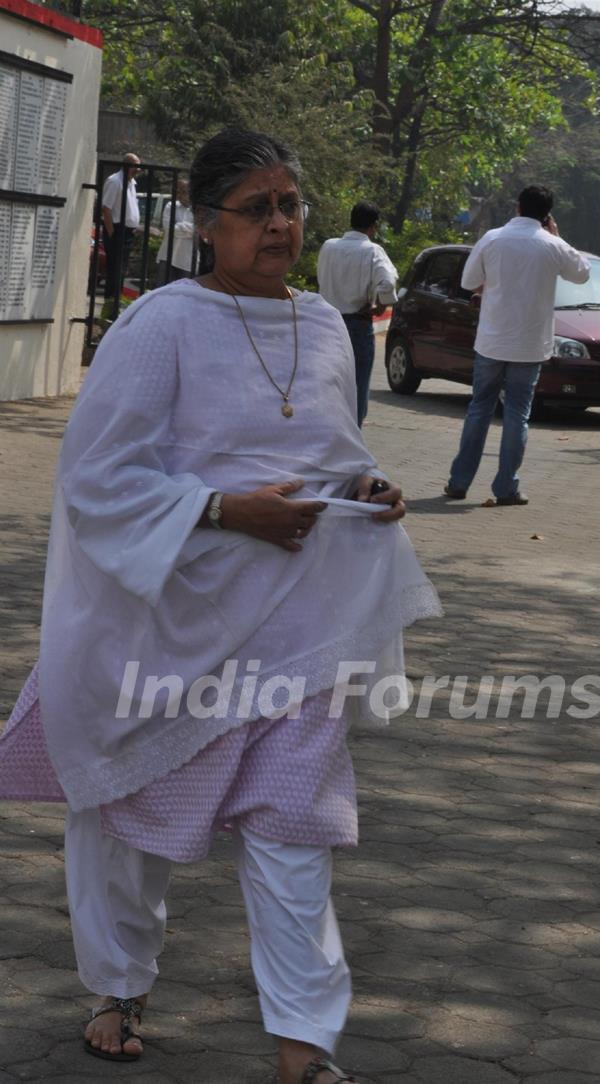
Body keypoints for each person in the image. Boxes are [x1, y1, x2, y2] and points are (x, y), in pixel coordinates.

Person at [0, 127, 441, 1084]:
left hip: (295, 628)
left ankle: (303, 1047)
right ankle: (118, 987)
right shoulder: (161, 323)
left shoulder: (325, 324)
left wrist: (370, 492)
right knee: (128, 820)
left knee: (295, 832)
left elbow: (332, 451)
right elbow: (96, 476)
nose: (280, 224)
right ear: (206, 226)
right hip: (167, 629)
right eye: (258, 209)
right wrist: (218, 509)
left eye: (291, 204)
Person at [445, 185, 591, 504]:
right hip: (529, 345)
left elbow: (468, 282)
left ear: (518, 207)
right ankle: (506, 487)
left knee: (479, 409)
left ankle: (458, 482)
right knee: (517, 414)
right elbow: (582, 273)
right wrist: (557, 235)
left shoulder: (493, 238)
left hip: (492, 342)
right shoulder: (552, 244)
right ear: (547, 215)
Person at [317, 202, 398, 426]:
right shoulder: (372, 251)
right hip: (356, 325)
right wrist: (380, 307)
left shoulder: (328, 247)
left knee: (327, 385)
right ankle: (352, 440)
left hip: (325, 324)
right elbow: (387, 282)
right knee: (357, 388)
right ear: (373, 226)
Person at [100, 152, 142, 320]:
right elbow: (106, 208)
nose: (138, 169)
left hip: (127, 232)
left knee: (121, 271)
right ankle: (109, 310)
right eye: (135, 165)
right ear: (127, 165)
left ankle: (115, 308)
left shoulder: (132, 183)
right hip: (117, 231)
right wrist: (111, 232)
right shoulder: (115, 181)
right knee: (115, 271)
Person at [155, 178, 197, 284]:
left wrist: (178, 226)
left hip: (187, 260)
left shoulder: (198, 209)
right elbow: (168, 228)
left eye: (183, 191)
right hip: (167, 256)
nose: (179, 194)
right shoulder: (170, 206)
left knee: (185, 293)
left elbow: (198, 230)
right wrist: (188, 229)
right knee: (162, 290)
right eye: (177, 191)